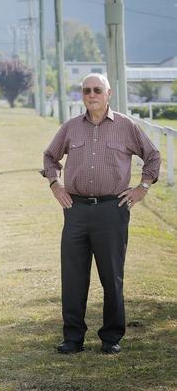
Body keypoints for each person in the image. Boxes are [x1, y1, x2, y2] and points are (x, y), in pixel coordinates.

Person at [41, 73, 160, 355]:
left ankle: (111, 337)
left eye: (97, 90)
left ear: (108, 94)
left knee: (112, 276)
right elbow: (50, 157)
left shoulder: (126, 126)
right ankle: (72, 339)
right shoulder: (71, 128)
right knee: (73, 278)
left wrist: (142, 187)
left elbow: (153, 155)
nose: (91, 95)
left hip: (112, 211)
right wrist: (55, 184)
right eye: (86, 91)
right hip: (76, 210)